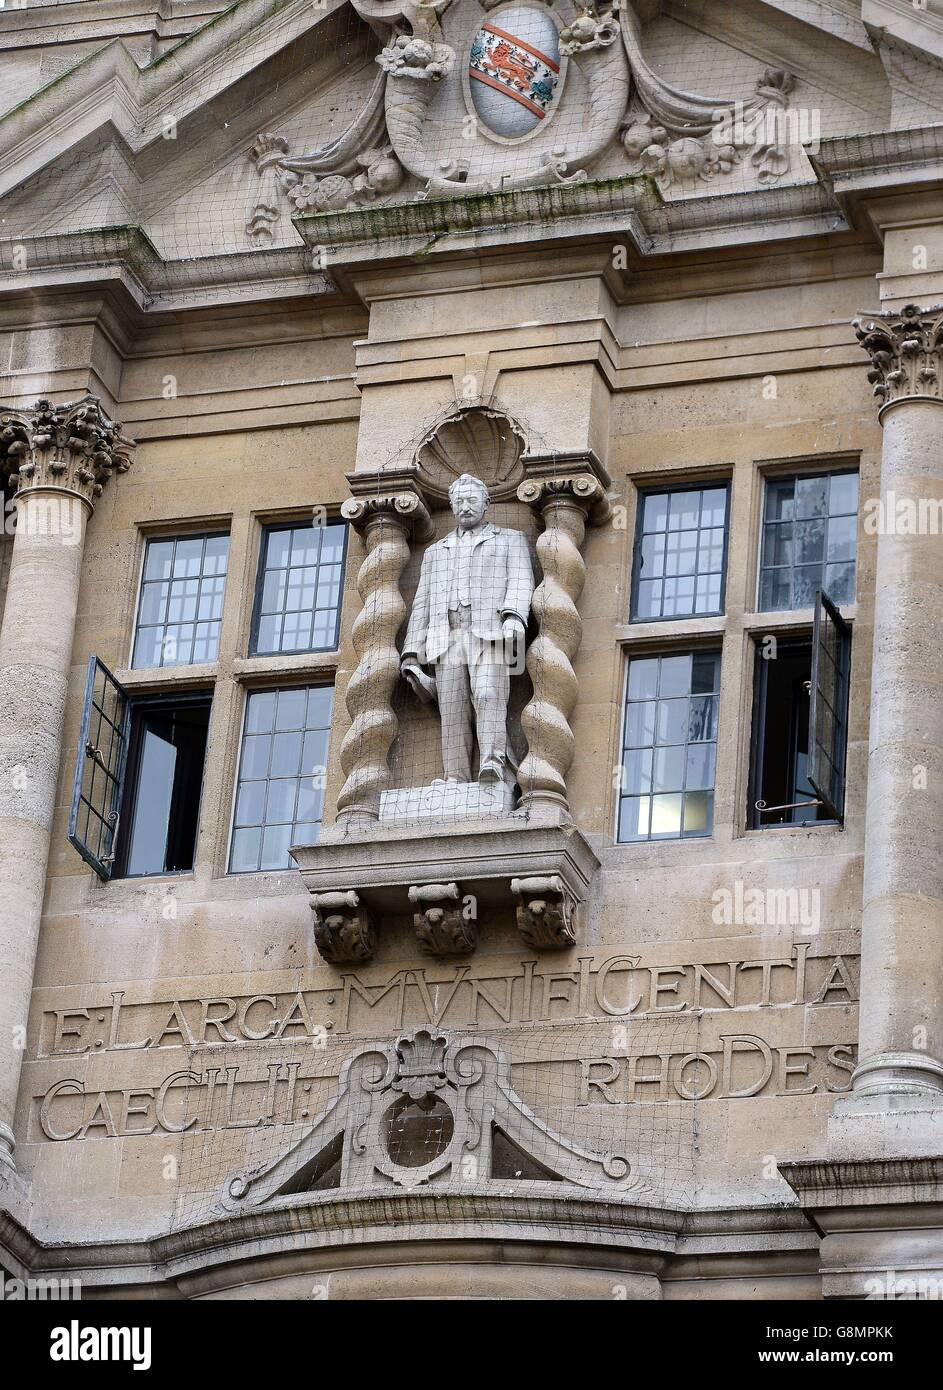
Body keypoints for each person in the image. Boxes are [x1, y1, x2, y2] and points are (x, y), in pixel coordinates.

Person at [401, 473, 534, 786]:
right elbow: (422, 602)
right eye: (459, 501)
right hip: (445, 637)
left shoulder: (509, 539)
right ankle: (455, 777)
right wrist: (410, 652)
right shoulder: (435, 552)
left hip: (489, 634)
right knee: (452, 707)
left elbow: (520, 580)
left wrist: (515, 617)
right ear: (451, 505)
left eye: (472, 500)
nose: (465, 506)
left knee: (488, 693)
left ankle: (493, 764)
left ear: (486, 503)